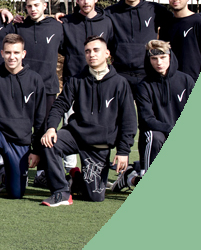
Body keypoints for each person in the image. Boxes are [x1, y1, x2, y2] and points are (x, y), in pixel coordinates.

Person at [39, 36, 136, 206]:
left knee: (95, 197)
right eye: (88, 51)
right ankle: (61, 192)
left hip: (99, 144)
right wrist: (51, 128)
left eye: (96, 50)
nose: (92, 54)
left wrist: (123, 151)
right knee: (50, 144)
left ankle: (76, 179)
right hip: (76, 135)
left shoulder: (120, 83)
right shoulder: (77, 79)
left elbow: (128, 120)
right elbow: (60, 105)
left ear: (107, 53)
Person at [0, 33, 48, 202]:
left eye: (16, 53)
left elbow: (40, 119)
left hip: (20, 141)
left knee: (16, 193)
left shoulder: (35, 80)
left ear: (24, 54)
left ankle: (4, 175)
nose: (12, 57)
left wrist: (36, 150)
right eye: (8, 52)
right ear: (2, 53)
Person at [126, 39, 196, 189]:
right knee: (154, 135)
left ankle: (130, 176)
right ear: (149, 60)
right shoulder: (144, 86)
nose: (159, 62)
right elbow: (146, 119)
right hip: (156, 137)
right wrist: (171, 129)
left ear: (170, 57)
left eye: (163, 57)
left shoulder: (186, 80)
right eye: (154, 58)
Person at [104, 0, 174, 90]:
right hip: (120, 72)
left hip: (148, 72)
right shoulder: (110, 12)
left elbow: (180, 20)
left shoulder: (155, 9)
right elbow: (93, 21)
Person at [14, 0, 63, 97]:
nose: (33, 9)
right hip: (23, 86)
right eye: (29, 6)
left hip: (48, 88)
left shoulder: (57, 26)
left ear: (44, 6)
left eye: (36, 5)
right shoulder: (19, 27)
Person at [60, 0, 114, 81]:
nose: (86, 2)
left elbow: (111, 46)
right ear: (77, 0)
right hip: (73, 78)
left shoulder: (106, 22)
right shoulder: (66, 22)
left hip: (100, 79)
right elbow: (61, 48)